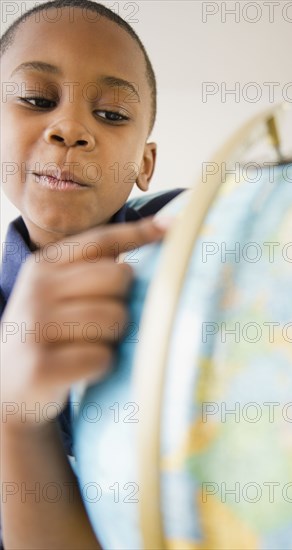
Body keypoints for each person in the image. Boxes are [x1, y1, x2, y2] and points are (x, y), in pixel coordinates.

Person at [0, 0, 183, 546]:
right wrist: (16, 417)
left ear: (144, 165)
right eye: (36, 99)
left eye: (111, 114)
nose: (70, 128)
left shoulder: (192, 235)